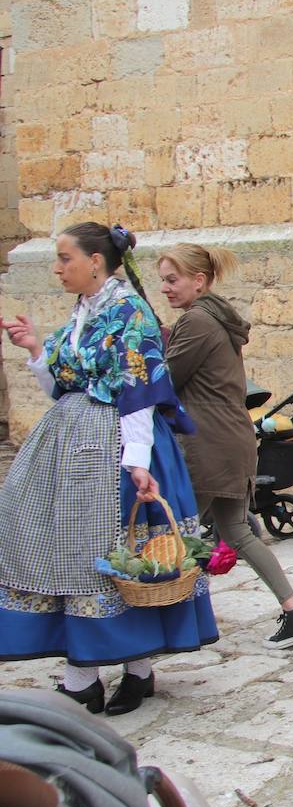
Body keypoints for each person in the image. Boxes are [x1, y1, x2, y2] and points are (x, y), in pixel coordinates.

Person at [0, 223, 217, 716]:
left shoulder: (128, 313)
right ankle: (127, 672)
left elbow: (138, 392)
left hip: (114, 445)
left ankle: (92, 677)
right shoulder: (87, 311)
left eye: (64, 258)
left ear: (95, 261)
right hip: (72, 441)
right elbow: (64, 385)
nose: (57, 268)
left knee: (108, 553)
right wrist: (37, 349)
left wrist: (138, 464)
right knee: (71, 547)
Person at [157, 243, 293, 648]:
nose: (165, 289)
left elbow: (167, 381)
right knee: (236, 530)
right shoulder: (214, 319)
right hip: (233, 439)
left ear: (198, 280)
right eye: (162, 281)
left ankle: (164, 627)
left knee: (171, 530)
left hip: (206, 443)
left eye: (172, 280)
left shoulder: (195, 321)